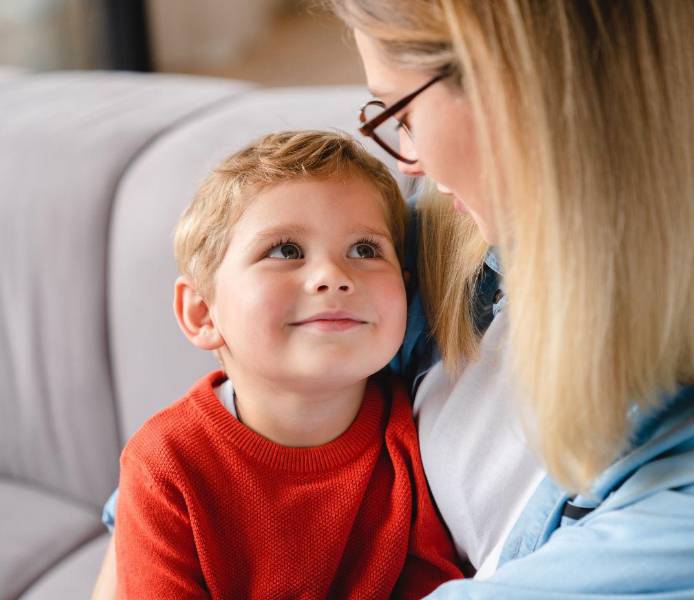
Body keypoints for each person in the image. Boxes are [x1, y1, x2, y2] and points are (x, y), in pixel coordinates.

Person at [96, 1, 694, 597]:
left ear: (512, 88)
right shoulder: (458, 225)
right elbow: (167, 504)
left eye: (400, 111)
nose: (410, 162)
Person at [111, 130, 462, 599]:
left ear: (405, 289)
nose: (334, 277)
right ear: (202, 312)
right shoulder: (165, 466)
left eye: (364, 250)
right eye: (286, 251)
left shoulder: (416, 436)